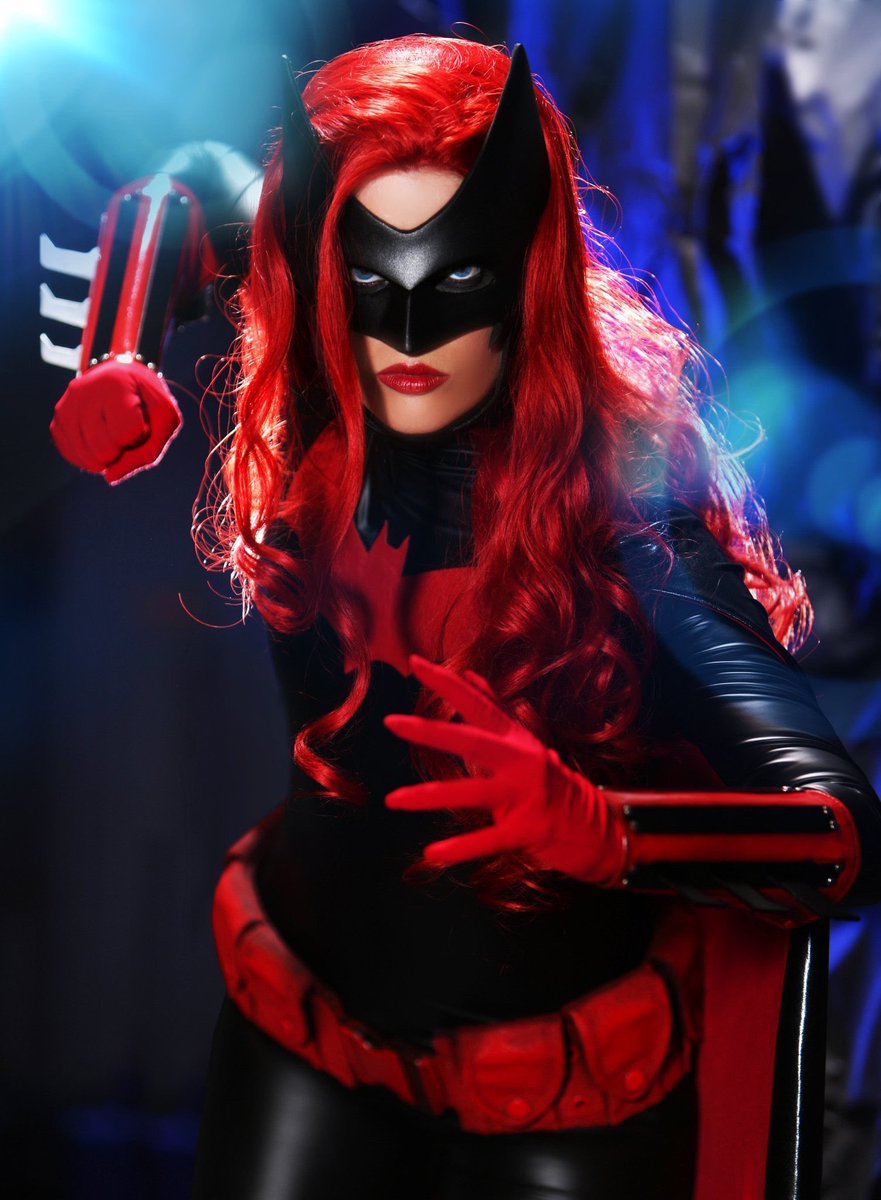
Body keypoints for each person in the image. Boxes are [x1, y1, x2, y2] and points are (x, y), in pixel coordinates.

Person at [48, 34, 881, 1200]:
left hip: (559, 1108)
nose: (405, 338)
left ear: (521, 275)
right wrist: (114, 352)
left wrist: (604, 829)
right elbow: (185, 187)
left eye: (453, 283)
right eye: (368, 285)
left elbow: (838, 834)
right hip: (300, 1046)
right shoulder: (328, 363)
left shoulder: (627, 521)